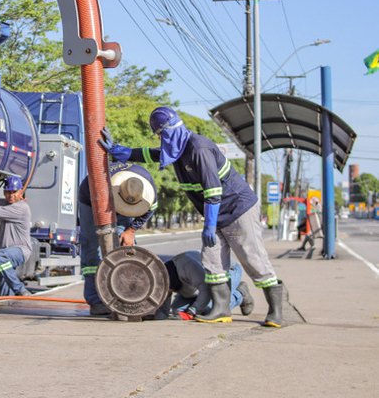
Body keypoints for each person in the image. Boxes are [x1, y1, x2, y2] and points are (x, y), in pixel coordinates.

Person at [99, 107, 284, 327]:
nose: (161, 139)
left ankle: (276, 310)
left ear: (169, 131)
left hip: (237, 209)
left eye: (161, 135)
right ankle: (221, 309)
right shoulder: (177, 150)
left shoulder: (198, 148)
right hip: (214, 213)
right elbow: (153, 154)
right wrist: (124, 152)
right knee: (212, 261)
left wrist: (210, 226)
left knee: (252, 258)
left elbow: (213, 190)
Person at [78, 160, 158, 315]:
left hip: (120, 198)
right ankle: (95, 300)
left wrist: (130, 230)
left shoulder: (147, 189)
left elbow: (151, 210)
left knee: (126, 247)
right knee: (92, 248)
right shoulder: (102, 186)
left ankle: (129, 296)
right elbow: (104, 231)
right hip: (92, 199)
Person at [162, 250, 254, 320]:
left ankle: (240, 294)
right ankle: (200, 303)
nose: (170, 293)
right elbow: (163, 309)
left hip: (225, 272)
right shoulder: (163, 275)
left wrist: (194, 310)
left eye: (170, 291)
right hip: (198, 285)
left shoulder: (188, 266)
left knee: (211, 309)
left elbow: (205, 289)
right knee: (177, 311)